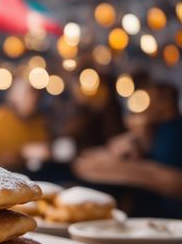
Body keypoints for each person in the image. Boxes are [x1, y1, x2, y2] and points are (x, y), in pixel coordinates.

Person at [74, 81, 182, 218]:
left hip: (166, 216)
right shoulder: (154, 129)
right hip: (147, 212)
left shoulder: (173, 131)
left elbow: (172, 179)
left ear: (166, 102)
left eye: (148, 98)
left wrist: (118, 166)